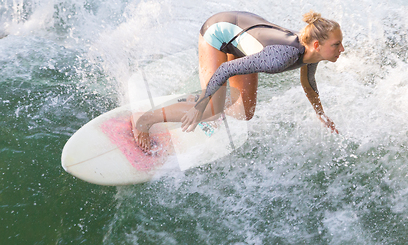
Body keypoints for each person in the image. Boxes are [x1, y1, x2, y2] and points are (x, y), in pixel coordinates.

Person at [133, 10, 344, 152]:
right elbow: (225, 69)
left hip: (241, 39)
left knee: (244, 111)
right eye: (336, 45)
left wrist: (320, 114)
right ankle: (145, 120)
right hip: (218, 32)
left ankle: (202, 100)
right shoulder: (278, 59)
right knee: (211, 108)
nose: (342, 49)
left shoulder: (311, 54)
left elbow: (308, 81)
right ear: (317, 44)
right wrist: (204, 103)